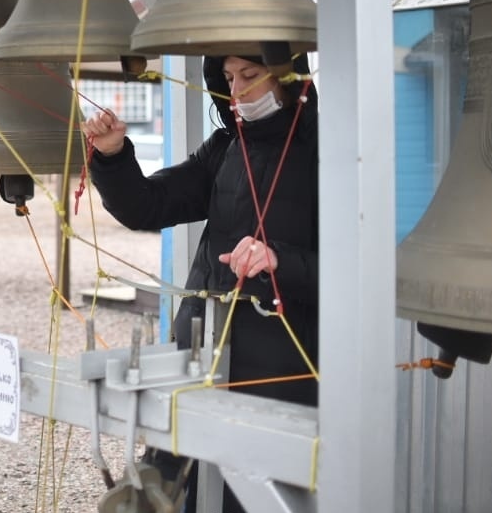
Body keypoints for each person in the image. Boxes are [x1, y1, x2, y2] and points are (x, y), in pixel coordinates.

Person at [82, 54, 319, 513]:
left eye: (250, 76)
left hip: (281, 368)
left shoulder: (326, 150)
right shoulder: (225, 147)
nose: (238, 91)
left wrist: (279, 261)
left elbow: (353, 271)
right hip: (201, 353)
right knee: (183, 489)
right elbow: (146, 207)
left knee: (255, 495)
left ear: (289, 76)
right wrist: (112, 156)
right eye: (229, 79)